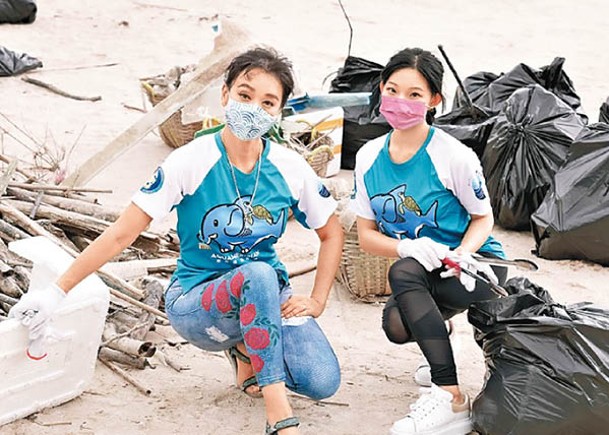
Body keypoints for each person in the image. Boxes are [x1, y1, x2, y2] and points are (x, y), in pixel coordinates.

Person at [9, 47, 343, 435]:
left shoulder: (289, 167)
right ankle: (279, 415)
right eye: (245, 95)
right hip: (198, 302)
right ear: (225, 95)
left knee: (321, 381)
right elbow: (122, 232)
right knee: (258, 274)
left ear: (279, 112)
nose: (253, 107)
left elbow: (331, 231)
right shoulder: (192, 159)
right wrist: (55, 293)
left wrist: (317, 299)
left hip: (269, 297)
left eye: (268, 102)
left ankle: (246, 353)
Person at [350, 47, 508, 435]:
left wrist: (461, 254)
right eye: (392, 90)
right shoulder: (369, 157)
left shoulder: (452, 155)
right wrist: (404, 245)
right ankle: (439, 330)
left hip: (476, 265)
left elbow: (483, 218)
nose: (401, 102)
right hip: (423, 268)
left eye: (415, 94)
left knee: (403, 274)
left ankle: (450, 396)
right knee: (396, 325)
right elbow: (367, 236)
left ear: (435, 100)